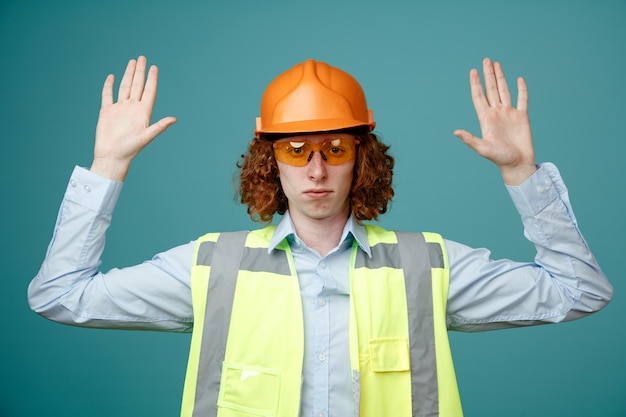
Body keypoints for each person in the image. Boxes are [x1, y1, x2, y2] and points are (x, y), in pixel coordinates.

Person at [28, 56, 612, 417]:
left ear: (363, 158)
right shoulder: (212, 267)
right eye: (295, 148)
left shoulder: (425, 264)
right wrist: (107, 166)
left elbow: (579, 291)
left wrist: (521, 173)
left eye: (335, 148)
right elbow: (60, 296)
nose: (315, 168)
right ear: (270, 161)